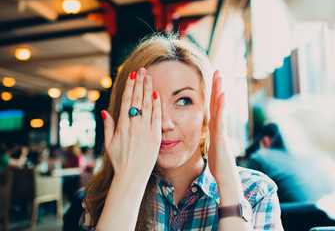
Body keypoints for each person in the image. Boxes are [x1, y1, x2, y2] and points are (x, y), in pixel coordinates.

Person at [79, 33, 283, 230]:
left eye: (184, 101)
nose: (165, 123)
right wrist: (128, 179)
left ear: (206, 113)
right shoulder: (101, 196)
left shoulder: (256, 193)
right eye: (146, 105)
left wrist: (228, 181)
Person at [246, 123, 335, 203]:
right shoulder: (323, 157)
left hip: (293, 221)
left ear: (265, 141)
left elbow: (247, 200)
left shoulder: (261, 156)